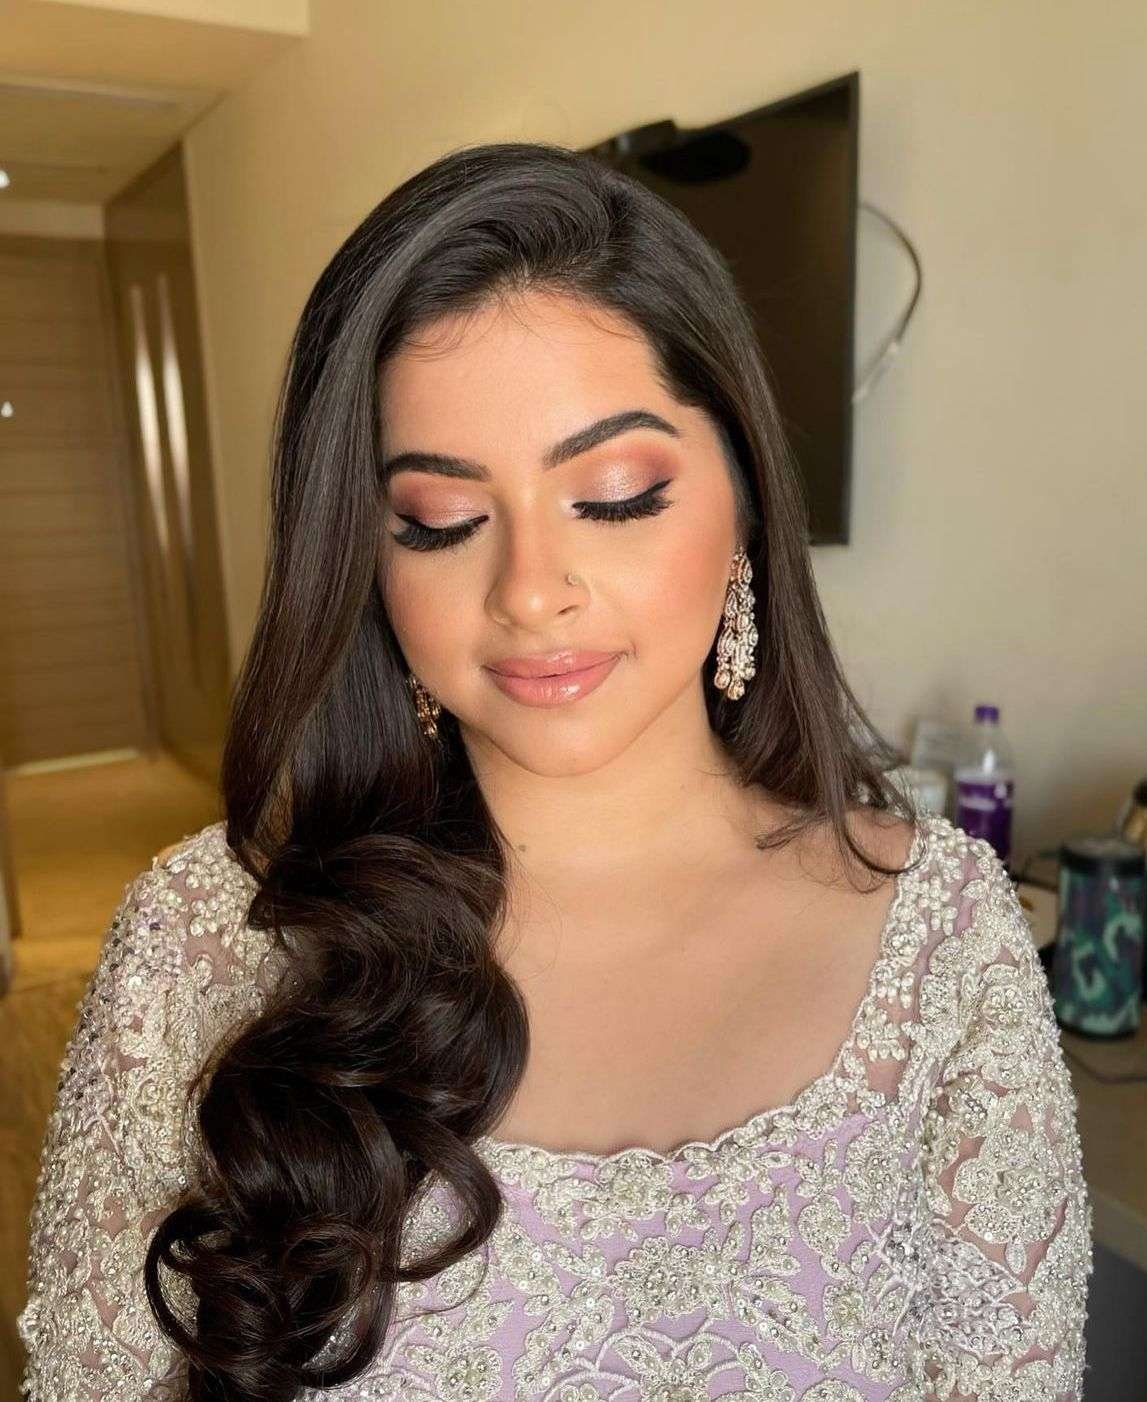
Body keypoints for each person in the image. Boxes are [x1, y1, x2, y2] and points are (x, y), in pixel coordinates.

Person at [18, 141, 1092, 1401]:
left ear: (746, 500)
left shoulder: (943, 942)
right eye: (441, 520)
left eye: (618, 495)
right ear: (367, 556)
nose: (531, 591)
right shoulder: (202, 946)